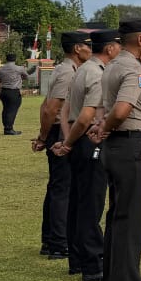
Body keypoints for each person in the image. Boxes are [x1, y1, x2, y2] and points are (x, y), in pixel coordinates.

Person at [92, 18, 141, 281]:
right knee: (130, 220)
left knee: (118, 217)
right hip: (131, 144)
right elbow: (121, 110)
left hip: (117, 147)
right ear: (140, 39)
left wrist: (103, 127)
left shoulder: (112, 65)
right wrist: (106, 127)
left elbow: (106, 107)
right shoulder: (134, 69)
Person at [53, 29, 121, 281]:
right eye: (118, 45)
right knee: (91, 204)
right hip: (89, 139)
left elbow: (65, 110)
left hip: (78, 139)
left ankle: (77, 259)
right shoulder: (97, 73)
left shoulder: (82, 70)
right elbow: (86, 116)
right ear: (110, 48)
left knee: (78, 202)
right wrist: (70, 142)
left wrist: (67, 139)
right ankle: (92, 263)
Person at [31, 31, 90, 259]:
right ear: (77, 49)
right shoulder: (68, 73)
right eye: (87, 45)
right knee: (62, 189)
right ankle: (58, 242)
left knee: (57, 187)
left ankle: (50, 240)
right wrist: (44, 137)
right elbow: (51, 108)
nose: (90, 49)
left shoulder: (64, 69)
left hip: (57, 131)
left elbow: (45, 105)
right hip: (61, 132)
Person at [0, 53, 29, 135]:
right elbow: (26, 76)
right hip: (14, 91)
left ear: (6, 59)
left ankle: (6, 127)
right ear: (15, 59)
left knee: (5, 109)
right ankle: (9, 129)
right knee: (12, 110)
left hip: (4, 91)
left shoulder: (0, 69)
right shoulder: (19, 68)